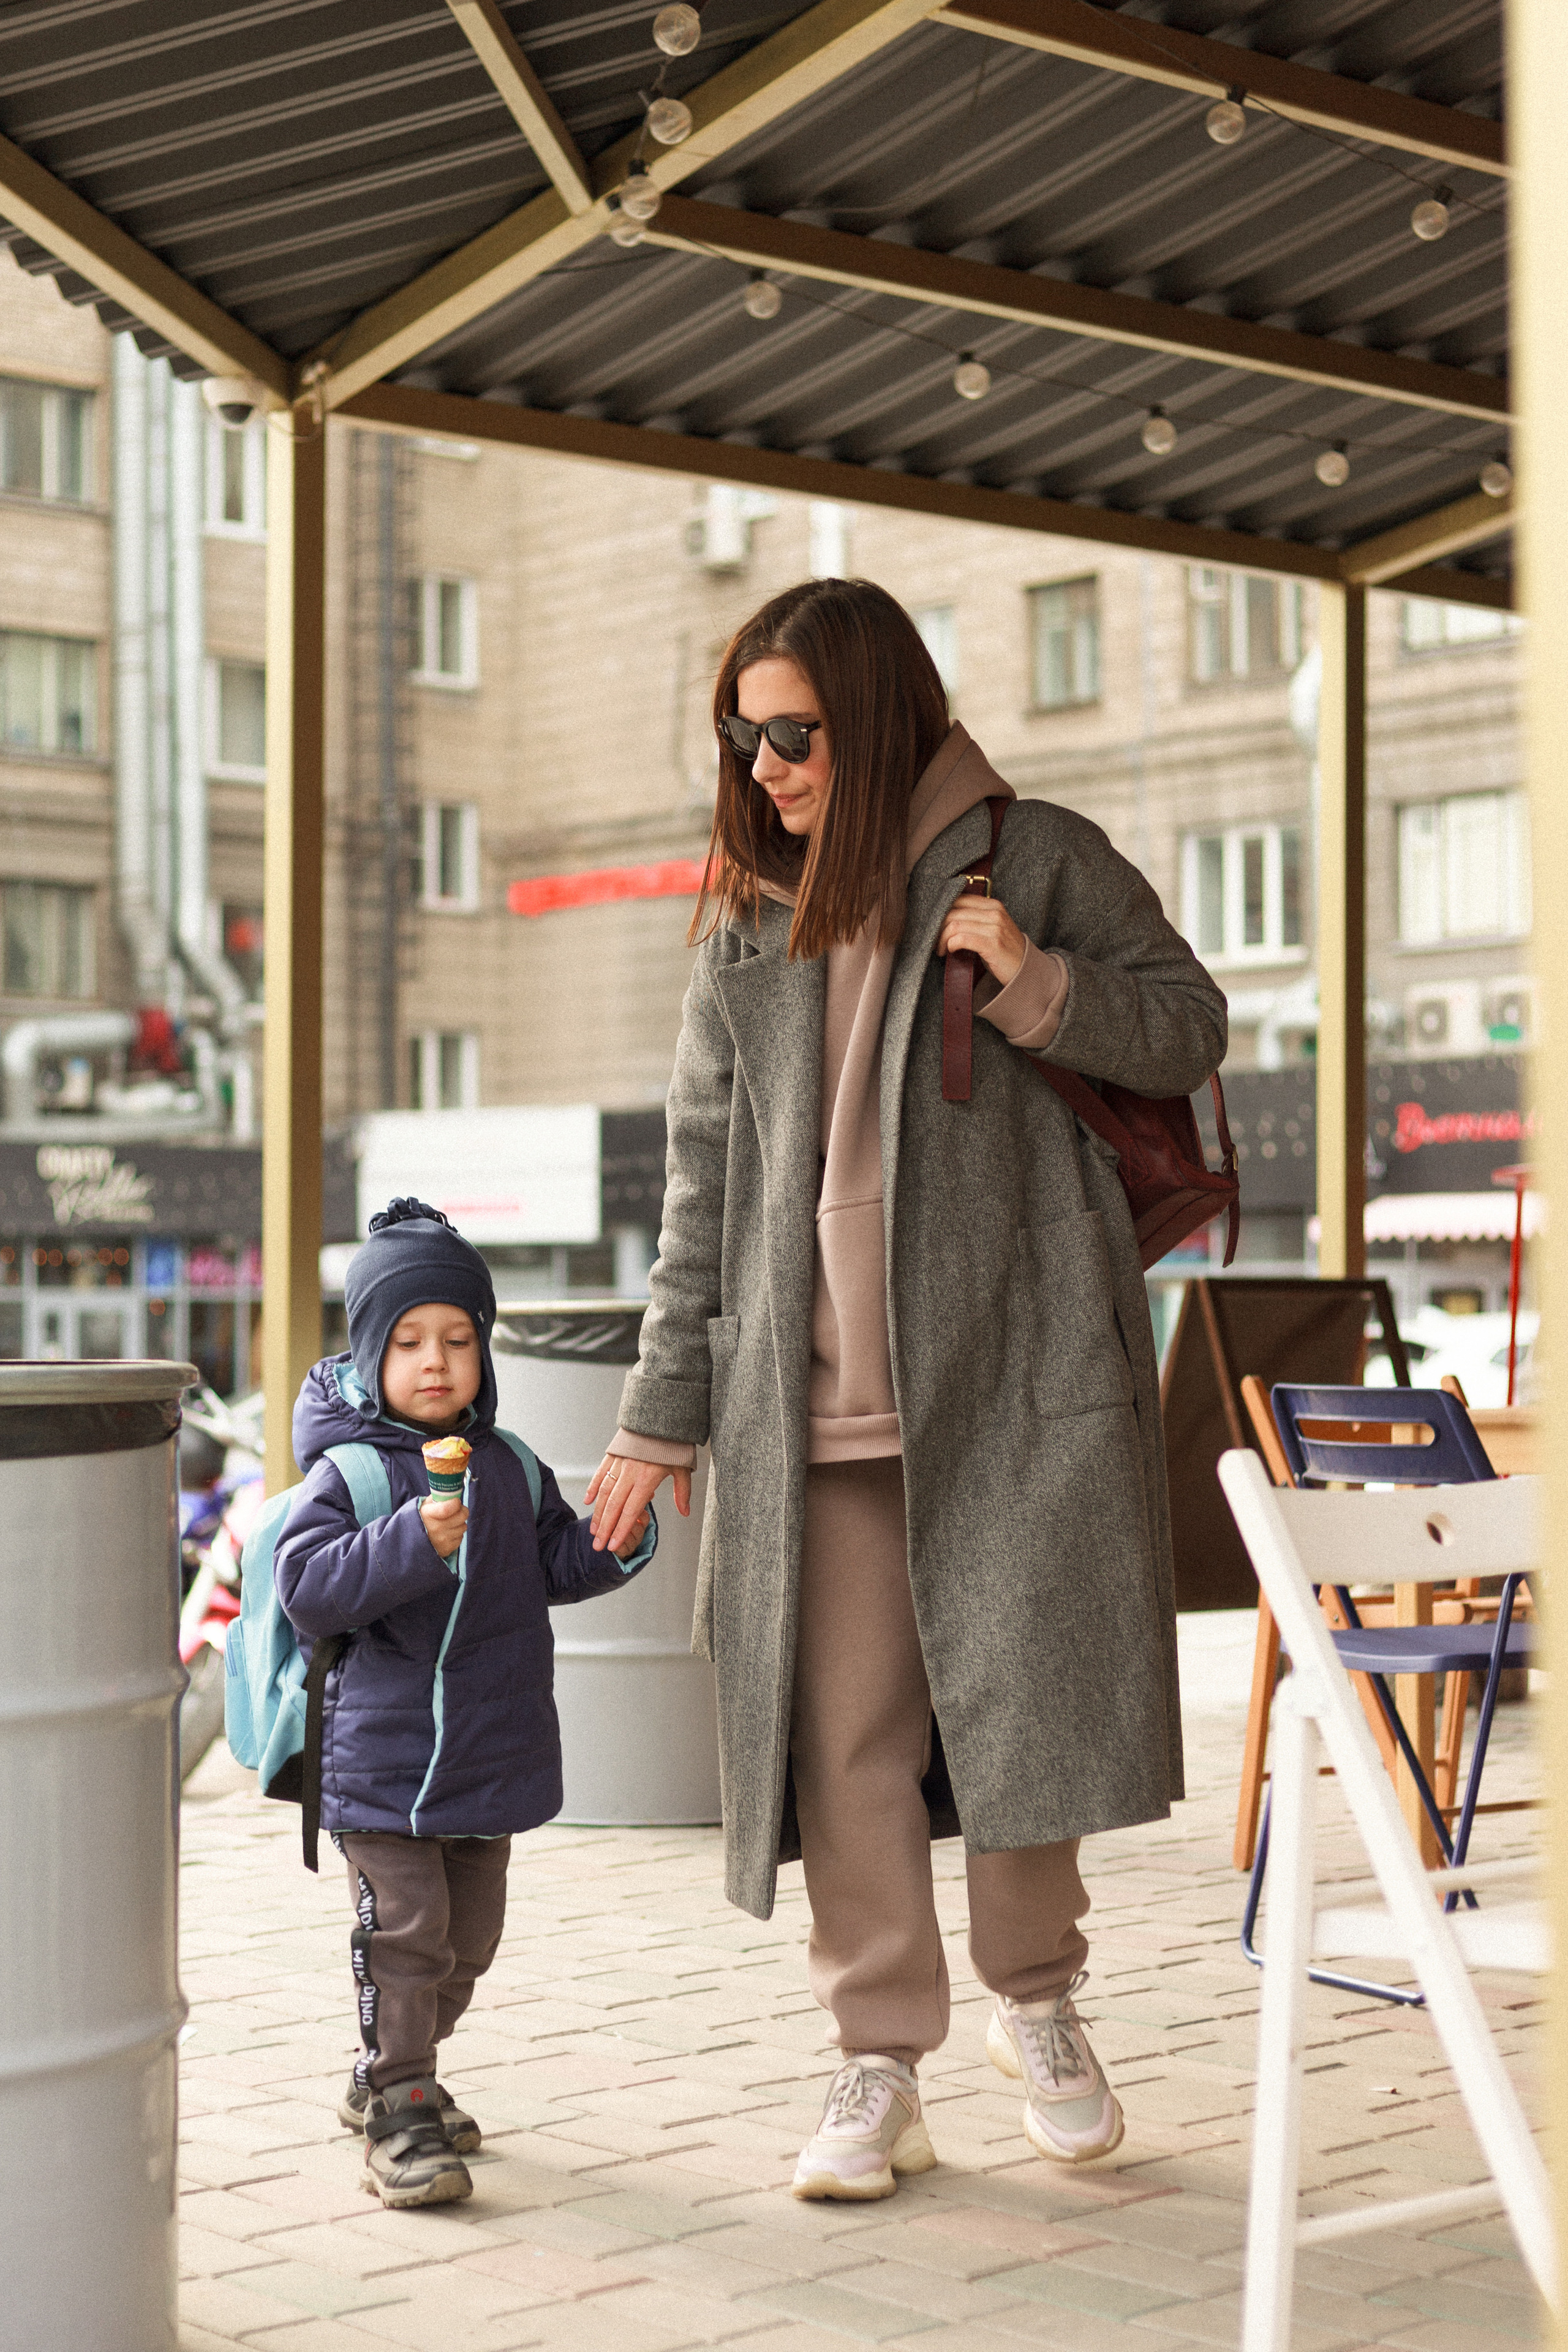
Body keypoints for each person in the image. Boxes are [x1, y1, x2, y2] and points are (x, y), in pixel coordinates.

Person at [586, 578, 1227, 2200]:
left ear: (873, 718)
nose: (765, 766)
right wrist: (663, 1418)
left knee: (1025, 1702)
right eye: (742, 737)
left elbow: (1191, 1026)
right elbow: (701, 1187)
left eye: (792, 733)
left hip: (1013, 1383)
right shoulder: (746, 915)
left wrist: (1030, 977)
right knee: (843, 1739)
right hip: (803, 1414)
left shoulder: (1041, 856)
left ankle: (1043, 2002)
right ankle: (878, 2058)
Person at [274, 1198, 655, 2209]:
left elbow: (556, 1566)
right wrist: (409, 1540)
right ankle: (402, 2105)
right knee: (406, 1936)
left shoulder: (512, 1465)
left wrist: (617, 1539)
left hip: (491, 1758)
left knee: (464, 1945)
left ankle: (392, 2072)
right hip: (380, 1767)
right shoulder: (350, 1473)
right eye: (407, 1341)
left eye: (457, 1338)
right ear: (366, 1357)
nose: (435, 1361)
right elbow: (306, 1588)